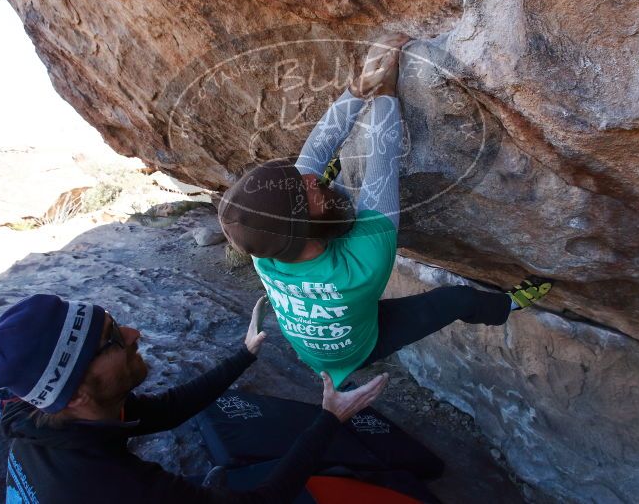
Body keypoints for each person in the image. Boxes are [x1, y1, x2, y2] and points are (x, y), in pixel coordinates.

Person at [218, 33, 552, 388]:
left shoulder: (262, 246)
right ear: (303, 227)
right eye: (306, 194)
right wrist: (385, 90)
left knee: (327, 187)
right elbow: (383, 160)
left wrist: (357, 88)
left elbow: (315, 153)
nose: (307, 179)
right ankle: (509, 305)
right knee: (456, 300)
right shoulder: (362, 266)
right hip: (356, 349)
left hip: (316, 336)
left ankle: (328, 204)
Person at [0, 294, 388, 503]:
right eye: (112, 340)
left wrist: (243, 356)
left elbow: (167, 410)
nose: (134, 333)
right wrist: (331, 418)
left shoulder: (45, 413)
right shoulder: (108, 488)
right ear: (75, 395)